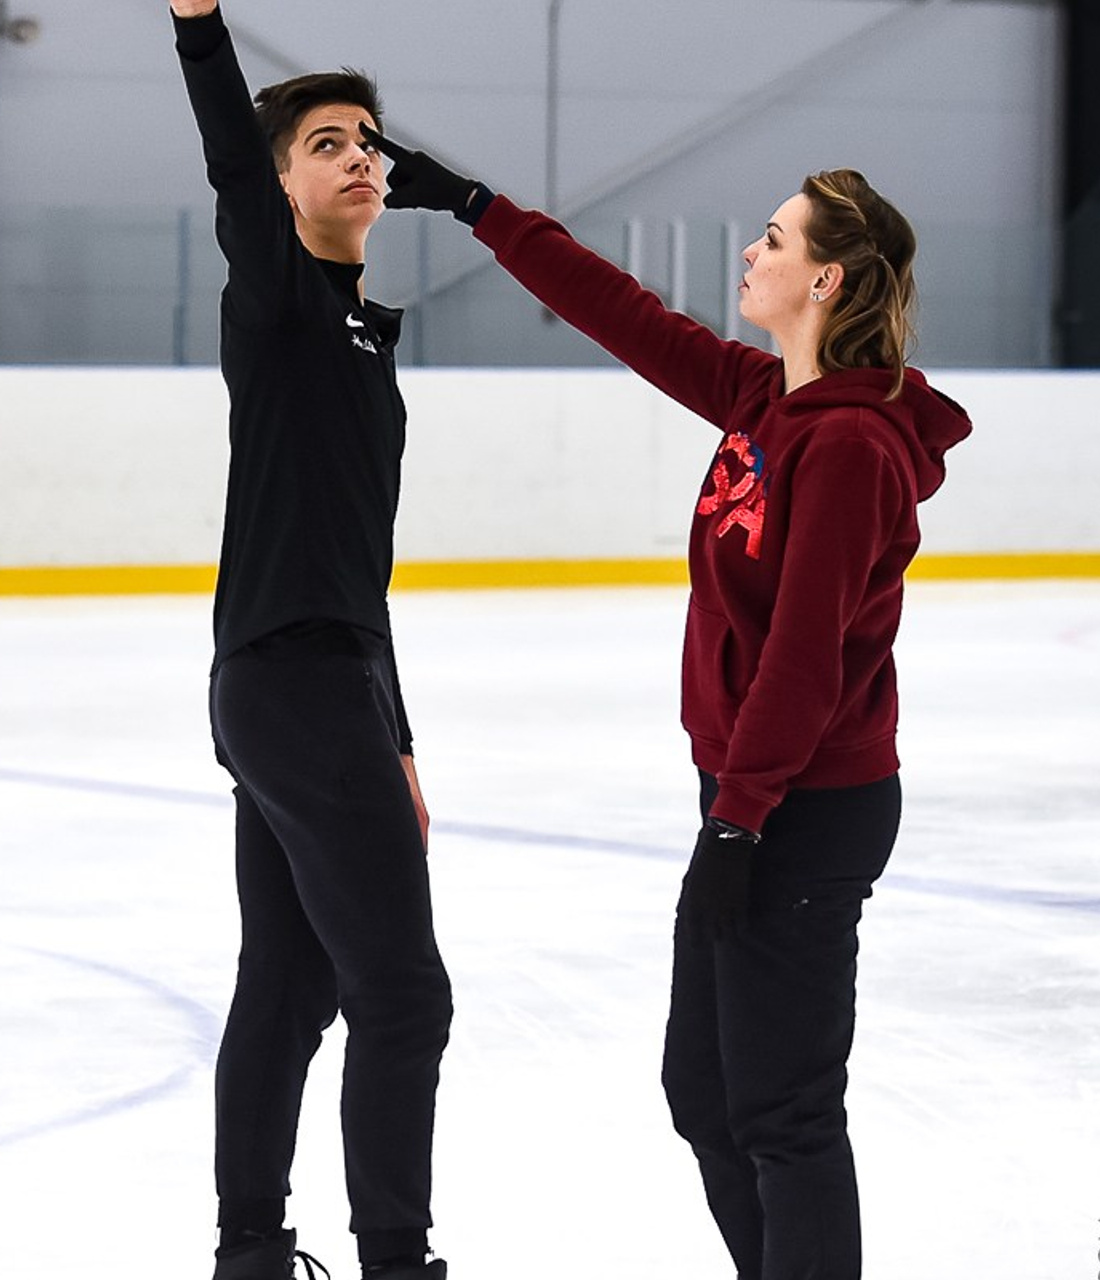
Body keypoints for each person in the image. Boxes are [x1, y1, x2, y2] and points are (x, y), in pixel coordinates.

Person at [364, 129, 971, 1280]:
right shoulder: (762, 396)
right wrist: (480, 207)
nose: (749, 250)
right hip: (747, 792)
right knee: (702, 1089)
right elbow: (624, 314)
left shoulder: (846, 442)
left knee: (782, 1111)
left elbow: (805, 652)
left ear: (825, 280)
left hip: (804, 802)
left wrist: (740, 816)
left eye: (774, 238)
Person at [168, 5, 452, 1279]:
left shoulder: (361, 334)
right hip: (291, 682)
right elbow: (233, 159)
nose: (358, 160)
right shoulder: (280, 301)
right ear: (282, 183)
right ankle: (395, 1258)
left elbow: (362, 572)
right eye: (325, 143)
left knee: (288, 987)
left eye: (368, 145)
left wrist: (394, 738)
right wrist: (200, 27)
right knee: (404, 995)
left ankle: (248, 1252)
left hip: (313, 689)